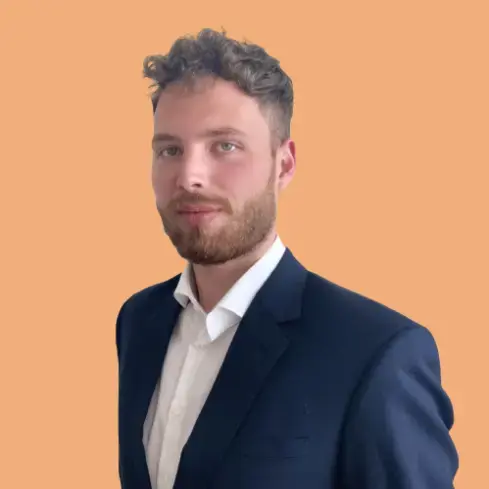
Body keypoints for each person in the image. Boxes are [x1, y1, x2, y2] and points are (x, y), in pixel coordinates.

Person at [115, 28, 459, 489]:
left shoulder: (378, 354)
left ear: (284, 164)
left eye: (225, 145)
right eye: (170, 150)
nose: (189, 176)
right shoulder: (138, 321)